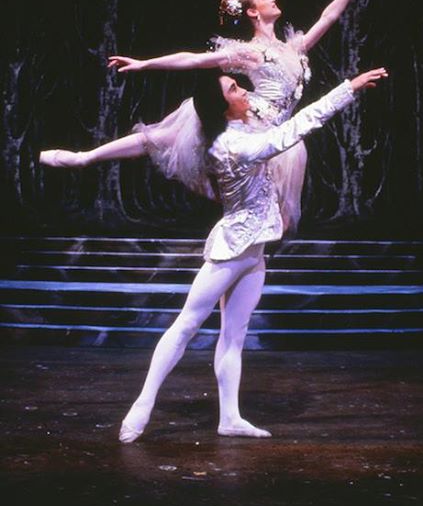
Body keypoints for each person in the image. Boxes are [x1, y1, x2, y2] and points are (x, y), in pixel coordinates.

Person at [118, 66, 388, 443]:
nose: (244, 91)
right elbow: (296, 128)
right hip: (233, 248)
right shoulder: (233, 144)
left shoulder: (241, 130)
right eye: (234, 88)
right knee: (187, 324)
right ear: (223, 106)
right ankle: (142, 405)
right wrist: (349, 88)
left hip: (253, 249)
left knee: (234, 335)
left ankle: (230, 417)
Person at [40, 0, 381, 227]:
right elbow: (194, 59)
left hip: (280, 129)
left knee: (282, 218)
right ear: (252, 12)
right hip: (250, 119)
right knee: (160, 138)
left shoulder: (295, 46)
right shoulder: (250, 52)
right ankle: (83, 158)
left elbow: (328, 16)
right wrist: (144, 64)